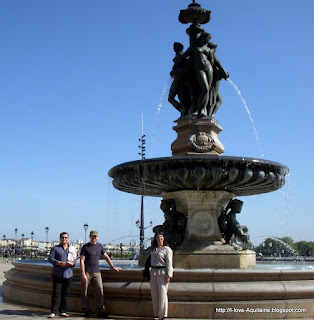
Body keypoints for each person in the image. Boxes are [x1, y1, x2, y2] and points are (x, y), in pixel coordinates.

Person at [80, 230, 120, 318]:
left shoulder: (100, 246)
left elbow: (106, 256)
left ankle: (101, 310)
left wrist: (113, 267)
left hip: (96, 272)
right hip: (87, 272)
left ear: (97, 237)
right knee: (84, 291)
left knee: (99, 290)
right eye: (93, 236)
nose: (94, 238)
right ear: (90, 236)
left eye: (95, 236)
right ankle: (86, 309)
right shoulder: (85, 247)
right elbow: (82, 260)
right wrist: (83, 273)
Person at [48, 232, 77, 319]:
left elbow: (75, 260)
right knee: (56, 293)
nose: (64, 239)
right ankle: (53, 311)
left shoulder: (72, 249)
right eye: (62, 237)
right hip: (58, 273)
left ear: (68, 239)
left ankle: (63, 311)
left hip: (68, 274)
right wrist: (58, 263)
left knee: (65, 294)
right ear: (60, 238)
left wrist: (72, 263)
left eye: (66, 237)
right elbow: (50, 258)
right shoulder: (55, 248)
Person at [150, 231, 173, 320]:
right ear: (155, 239)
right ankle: (156, 314)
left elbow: (169, 263)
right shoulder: (154, 249)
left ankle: (162, 314)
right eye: (158, 237)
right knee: (154, 294)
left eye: (161, 237)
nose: (159, 238)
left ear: (163, 238)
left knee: (163, 294)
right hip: (153, 272)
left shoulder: (167, 249)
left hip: (162, 272)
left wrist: (169, 275)